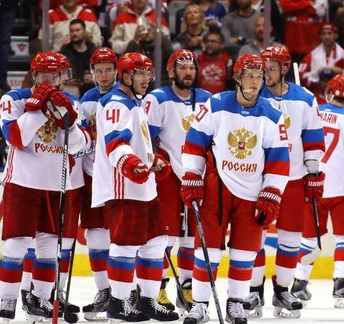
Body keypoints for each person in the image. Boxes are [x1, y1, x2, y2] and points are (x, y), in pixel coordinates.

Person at [180, 53, 290, 324]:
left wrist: (271, 193)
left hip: (253, 193)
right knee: (207, 251)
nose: (255, 82)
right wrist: (192, 177)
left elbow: (279, 160)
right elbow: (194, 143)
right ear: (237, 78)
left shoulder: (274, 116)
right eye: (250, 76)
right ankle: (200, 304)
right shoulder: (215, 105)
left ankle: (236, 303)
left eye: (260, 77)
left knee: (245, 251)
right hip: (217, 188)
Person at [0, 52, 86, 322]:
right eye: (45, 74)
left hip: (54, 186)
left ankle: (41, 300)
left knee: (49, 250)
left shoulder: (69, 102)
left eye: (56, 74)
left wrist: (67, 121)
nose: (51, 79)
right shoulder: (14, 99)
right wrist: (36, 108)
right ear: (34, 75)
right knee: (15, 245)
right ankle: (8, 300)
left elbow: (80, 146)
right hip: (22, 183)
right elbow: (16, 138)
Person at [91, 52, 178, 322]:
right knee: (125, 246)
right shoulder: (117, 102)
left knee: (156, 242)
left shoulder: (134, 102)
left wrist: (153, 161)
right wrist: (130, 164)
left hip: (145, 188)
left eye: (149, 73)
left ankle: (147, 300)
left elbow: (139, 143)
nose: (147, 79)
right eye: (141, 73)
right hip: (124, 187)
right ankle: (118, 303)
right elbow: (116, 143)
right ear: (127, 75)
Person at [244, 45, 325, 319]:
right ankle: (254, 290)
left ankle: (282, 290)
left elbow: (313, 139)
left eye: (271, 67)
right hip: (259, 178)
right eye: (263, 67)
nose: (265, 73)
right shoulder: (253, 95)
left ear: (285, 68)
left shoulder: (305, 98)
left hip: (293, 178)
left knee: (290, 238)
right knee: (255, 236)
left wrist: (313, 174)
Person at [144, 49, 212, 314]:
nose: (188, 72)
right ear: (171, 72)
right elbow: (147, 140)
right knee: (166, 236)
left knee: (189, 238)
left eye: (192, 67)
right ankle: (158, 286)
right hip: (168, 177)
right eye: (182, 67)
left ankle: (186, 288)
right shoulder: (157, 99)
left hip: (199, 177)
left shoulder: (207, 100)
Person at [291, 74, 344, 309]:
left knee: (308, 239)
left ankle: (298, 284)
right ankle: (341, 285)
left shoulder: (314, 112)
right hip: (343, 189)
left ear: (329, 93)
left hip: (312, 185)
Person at [78, 47, 120, 321]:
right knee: (95, 232)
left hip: (119, 176)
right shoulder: (88, 100)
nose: (104, 75)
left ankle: (123, 291)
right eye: (99, 70)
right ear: (92, 73)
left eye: (108, 69)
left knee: (122, 234)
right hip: (92, 174)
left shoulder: (126, 97)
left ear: (116, 71)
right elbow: (79, 137)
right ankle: (104, 290)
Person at [299, 23, 344, 101]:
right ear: (320, 36)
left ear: (336, 35)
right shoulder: (312, 55)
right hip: (316, 98)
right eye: (323, 34)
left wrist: (341, 72)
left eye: (329, 33)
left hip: (339, 98)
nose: (326, 36)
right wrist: (316, 73)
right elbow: (300, 76)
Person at [59, 19, 98, 84]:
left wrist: (94, 77)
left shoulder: (94, 52)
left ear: (84, 31)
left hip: (93, 87)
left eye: (77, 30)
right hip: (71, 88)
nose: (74, 33)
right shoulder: (63, 54)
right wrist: (68, 81)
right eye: (72, 31)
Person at [197, 30, 233, 94]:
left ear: (222, 45)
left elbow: (230, 85)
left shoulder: (228, 62)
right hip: (200, 100)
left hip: (221, 100)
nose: (209, 44)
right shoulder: (198, 59)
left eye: (213, 42)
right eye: (207, 41)